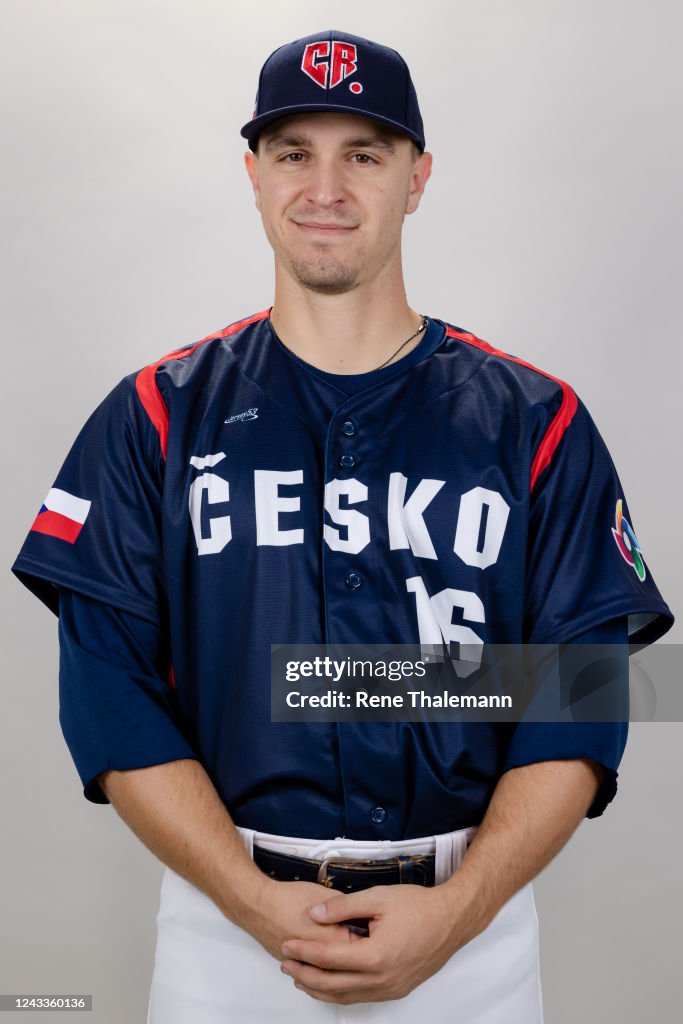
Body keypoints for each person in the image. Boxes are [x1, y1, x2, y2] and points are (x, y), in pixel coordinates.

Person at [11, 28, 674, 1023]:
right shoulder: (152, 416)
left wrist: (455, 912)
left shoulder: (535, 422)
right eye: (293, 153)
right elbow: (108, 696)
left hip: (470, 936)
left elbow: (582, 695)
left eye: (362, 153)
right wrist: (250, 899)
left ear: (416, 177)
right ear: (252, 174)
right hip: (225, 933)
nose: (324, 187)